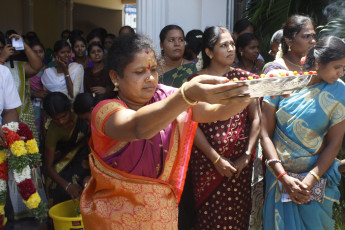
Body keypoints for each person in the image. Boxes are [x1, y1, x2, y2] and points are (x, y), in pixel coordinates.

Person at [79, 33, 253, 229]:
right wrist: (185, 95)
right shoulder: (104, 111)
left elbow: (217, 112)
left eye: (153, 69)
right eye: (139, 72)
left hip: (160, 216)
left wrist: (247, 94)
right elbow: (138, 127)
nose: (150, 78)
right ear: (115, 77)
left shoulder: (167, 97)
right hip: (115, 220)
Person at [261, 36, 345, 229]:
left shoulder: (340, 93)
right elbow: (264, 133)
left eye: (343, 68)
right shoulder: (281, 84)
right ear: (318, 61)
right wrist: (283, 177)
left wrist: (308, 181)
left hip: (314, 181)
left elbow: (334, 143)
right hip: (278, 177)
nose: (340, 73)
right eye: (336, 67)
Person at [189, 26, 260, 229]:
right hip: (207, 165)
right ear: (209, 52)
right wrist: (216, 158)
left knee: (238, 218)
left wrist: (246, 156)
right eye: (224, 45)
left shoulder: (245, 78)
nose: (231, 49)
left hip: (240, 167)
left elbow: (256, 119)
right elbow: (192, 125)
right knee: (209, 219)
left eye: (232, 44)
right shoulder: (196, 83)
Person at [43, 92, 90, 206]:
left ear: (70, 108)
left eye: (63, 116)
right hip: (63, 164)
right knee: (60, 191)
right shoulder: (53, 131)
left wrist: (91, 175)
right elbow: (47, 167)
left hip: (86, 157)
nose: (61, 122)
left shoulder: (82, 117)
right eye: (56, 119)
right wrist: (67, 186)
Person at [29, 40, 49, 143]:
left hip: (45, 107)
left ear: (44, 53)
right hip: (30, 107)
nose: (37, 54)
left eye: (40, 51)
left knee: (45, 133)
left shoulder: (49, 70)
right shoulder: (25, 70)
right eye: (34, 52)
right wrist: (34, 94)